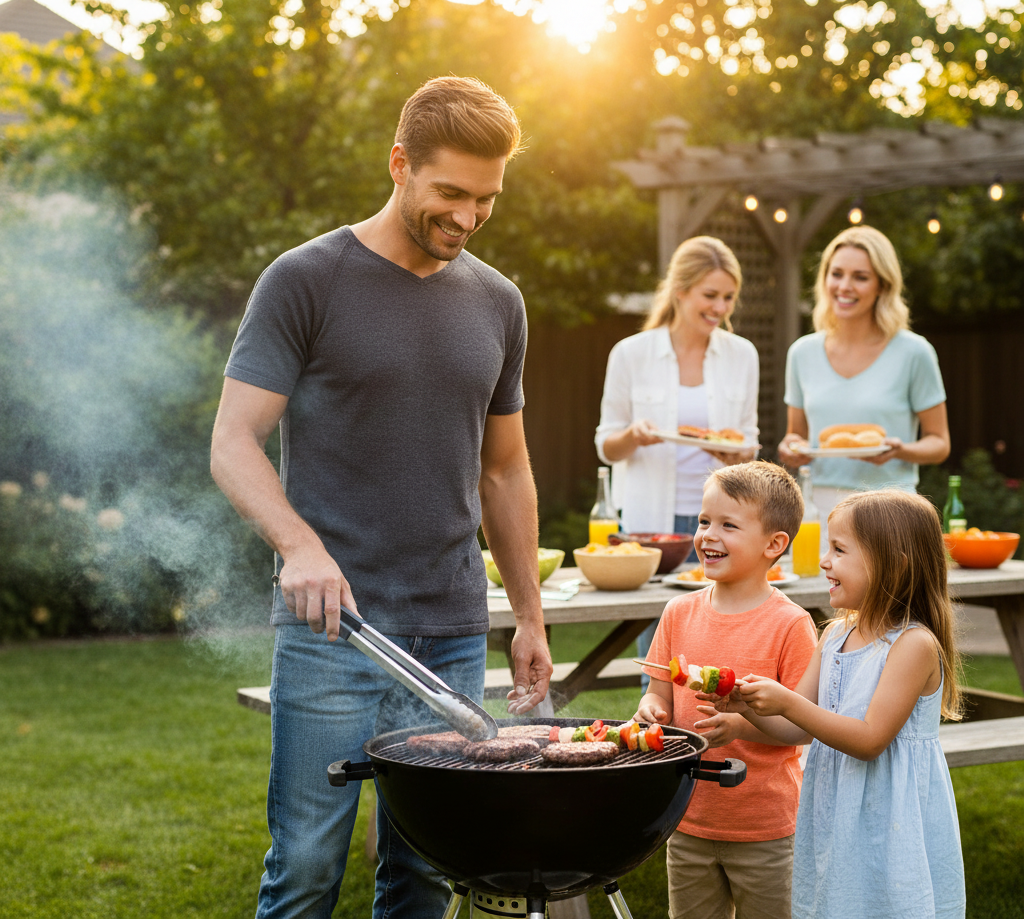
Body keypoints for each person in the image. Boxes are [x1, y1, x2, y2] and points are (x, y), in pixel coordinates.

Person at [210, 76, 554, 919]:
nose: (467, 218)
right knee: (306, 867)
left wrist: (530, 617)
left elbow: (504, 470)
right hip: (338, 631)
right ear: (399, 164)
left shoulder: (498, 302)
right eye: (450, 193)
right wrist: (300, 546)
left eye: (486, 199)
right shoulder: (306, 281)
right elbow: (232, 441)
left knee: (426, 870)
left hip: (451, 630)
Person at [710, 489, 966, 919]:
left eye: (839, 550)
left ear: (895, 565)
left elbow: (869, 740)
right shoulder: (834, 636)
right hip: (838, 803)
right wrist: (748, 709)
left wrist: (786, 701)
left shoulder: (913, 644)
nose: (825, 560)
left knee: (886, 900)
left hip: (890, 813)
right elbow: (800, 730)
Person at [635, 461, 818, 919]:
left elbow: (803, 728)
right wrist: (651, 709)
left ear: (774, 545)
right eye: (703, 521)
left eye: (728, 525)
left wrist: (739, 723)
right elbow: (658, 691)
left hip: (765, 826)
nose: (707, 535)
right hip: (689, 817)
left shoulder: (791, 624)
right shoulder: (678, 612)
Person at [595, 236, 760, 688]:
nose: (720, 307)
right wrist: (633, 436)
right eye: (711, 295)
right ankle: (656, 746)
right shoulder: (631, 353)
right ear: (680, 291)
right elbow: (606, 446)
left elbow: (749, 442)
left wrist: (738, 453)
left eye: (728, 297)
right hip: (652, 529)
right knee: (657, 664)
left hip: (725, 526)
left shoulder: (742, 354)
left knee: (723, 658)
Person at [778, 225, 950, 527]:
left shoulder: (914, 352)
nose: (844, 286)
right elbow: (797, 437)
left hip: (892, 508)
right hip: (820, 510)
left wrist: (902, 450)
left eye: (860, 277)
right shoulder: (802, 353)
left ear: (882, 286)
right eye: (837, 274)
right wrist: (791, 448)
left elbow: (939, 443)